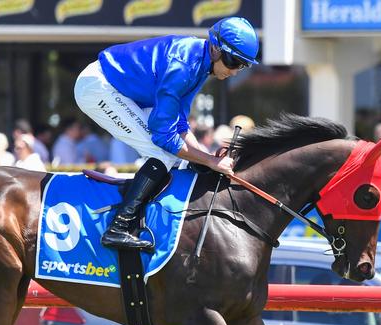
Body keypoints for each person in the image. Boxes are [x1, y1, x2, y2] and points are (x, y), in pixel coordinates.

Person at [74, 16, 258, 250]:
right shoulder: (183, 66)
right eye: (233, 62)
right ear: (214, 47)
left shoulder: (200, 64)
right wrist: (210, 160)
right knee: (162, 153)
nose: (235, 71)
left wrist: (204, 158)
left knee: (181, 158)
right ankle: (118, 228)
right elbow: (162, 135)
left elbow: (179, 123)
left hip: (119, 88)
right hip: (98, 87)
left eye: (243, 65)